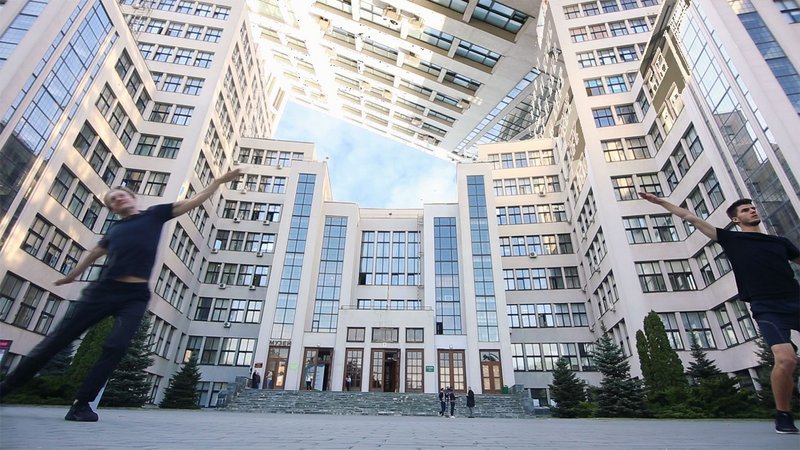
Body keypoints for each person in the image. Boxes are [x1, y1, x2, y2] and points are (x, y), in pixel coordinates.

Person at [0, 169, 241, 421]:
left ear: (133, 197)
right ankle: (6, 389)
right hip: (103, 291)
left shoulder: (155, 215)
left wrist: (217, 183)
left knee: (117, 346)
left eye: (121, 196)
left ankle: (81, 404)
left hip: (135, 295)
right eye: (112, 200)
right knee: (58, 339)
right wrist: (72, 276)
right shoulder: (114, 231)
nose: (118, 200)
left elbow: (193, 201)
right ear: (113, 209)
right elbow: (93, 254)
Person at [639, 193, 799, 434]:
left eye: (752, 208)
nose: (752, 211)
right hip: (766, 306)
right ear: (736, 220)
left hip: (795, 300)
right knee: (786, 360)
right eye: (745, 210)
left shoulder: (780, 242)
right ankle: (783, 414)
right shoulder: (731, 239)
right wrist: (662, 203)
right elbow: (690, 217)